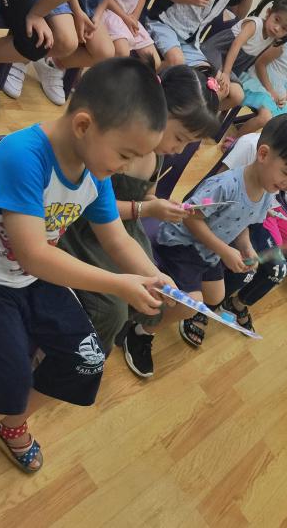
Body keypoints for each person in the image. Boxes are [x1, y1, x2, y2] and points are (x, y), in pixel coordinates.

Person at [0, 58, 174, 520]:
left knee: (88, 358)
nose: (125, 167)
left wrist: (154, 275)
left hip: (28, 278)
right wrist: (119, 284)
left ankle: (10, 418)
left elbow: (116, 239)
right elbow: (35, 255)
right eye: (124, 154)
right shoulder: (25, 156)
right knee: (6, 376)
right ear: (84, 125)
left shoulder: (94, 170)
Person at [123, 112, 287, 374]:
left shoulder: (266, 192)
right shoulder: (226, 185)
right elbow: (191, 218)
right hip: (181, 243)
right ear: (263, 154)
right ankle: (140, 331)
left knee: (216, 296)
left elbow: (243, 224)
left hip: (208, 251)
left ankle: (159, 305)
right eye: (286, 173)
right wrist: (224, 251)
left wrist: (246, 247)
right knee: (189, 304)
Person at [59, 64, 221, 355]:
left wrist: (157, 207)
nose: (179, 149)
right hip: (84, 230)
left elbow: (144, 198)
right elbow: (88, 204)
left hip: (119, 229)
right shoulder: (104, 150)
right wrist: (146, 210)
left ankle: (122, 331)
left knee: (148, 286)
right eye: (180, 138)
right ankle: (79, 346)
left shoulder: (154, 156)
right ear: (157, 108)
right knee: (113, 306)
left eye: (189, 143)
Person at [185, 96, 287, 336]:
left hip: (234, 225)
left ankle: (229, 302)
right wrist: (227, 248)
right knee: (266, 264)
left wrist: (246, 246)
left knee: (261, 262)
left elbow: (249, 211)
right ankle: (203, 305)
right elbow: (208, 195)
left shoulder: (273, 180)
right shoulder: (251, 152)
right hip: (206, 228)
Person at [200, 0, 287, 110]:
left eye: (284, 28)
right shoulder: (255, 25)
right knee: (221, 86)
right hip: (216, 54)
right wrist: (226, 73)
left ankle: (208, 112)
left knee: (238, 96)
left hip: (228, 67)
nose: (277, 28)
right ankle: (201, 109)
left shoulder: (271, 39)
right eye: (277, 20)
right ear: (268, 13)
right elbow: (235, 45)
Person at [146, 0, 255, 70]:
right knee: (176, 61)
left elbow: (240, 14)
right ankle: (145, 74)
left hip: (189, 40)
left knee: (205, 72)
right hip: (164, 24)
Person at [101, 0, 161, 67]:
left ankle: (130, 75)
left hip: (130, 18)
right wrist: (125, 18)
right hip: (110, 12)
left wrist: (135, 17)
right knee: (122, 52)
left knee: (155, 62)